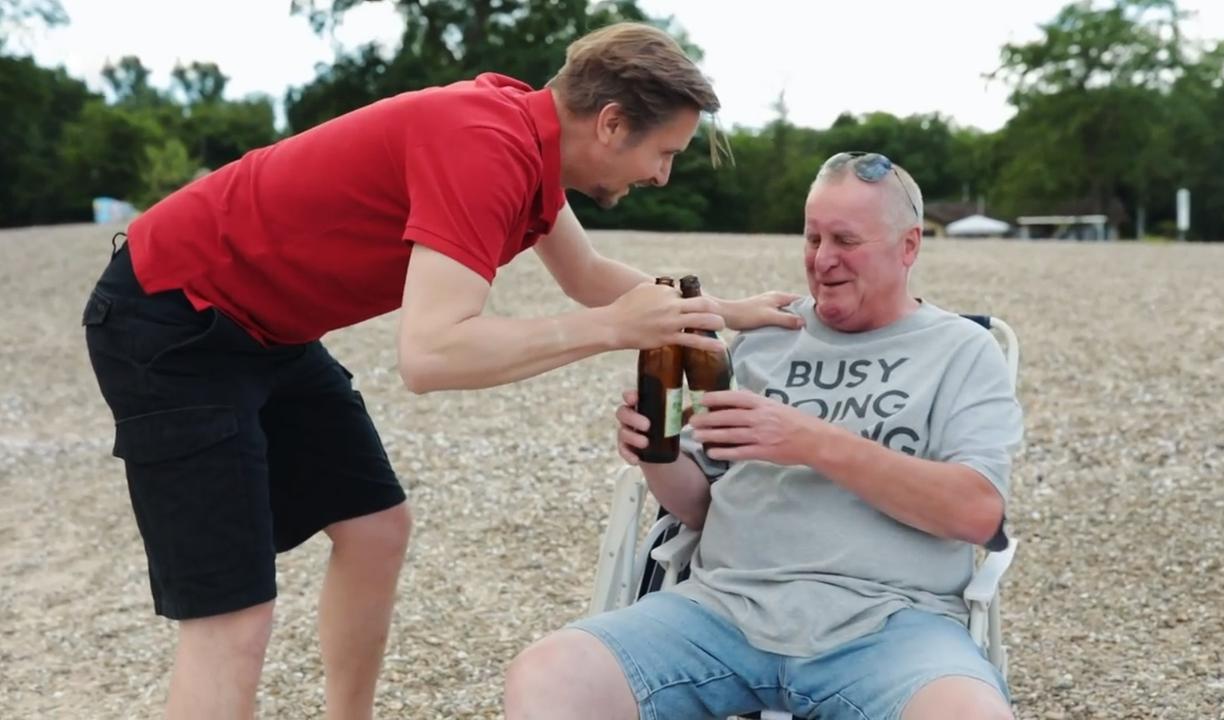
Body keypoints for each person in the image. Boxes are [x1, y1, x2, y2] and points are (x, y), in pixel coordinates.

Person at [80, 22, 801, 720]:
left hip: (268, 330)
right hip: (172, 321)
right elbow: (430, 354)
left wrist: (722, 311)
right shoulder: (484, 148)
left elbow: (585, 273)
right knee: (231, 617)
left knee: (375, 528)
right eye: (664, 153)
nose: (662, 175)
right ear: (611, 124)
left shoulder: (524, 137)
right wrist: (614, 330)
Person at [504, 151, 1024, 720]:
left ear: (909, 247)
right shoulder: (768, 335)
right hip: (721, 612)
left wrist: (810, 440)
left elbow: (977, 513)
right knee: (550, 675)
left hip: (892, 628)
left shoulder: (961, 351)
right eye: (812, 238)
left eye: (846, 241)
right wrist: (657, 450)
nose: (823, 261)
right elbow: (701, 505)